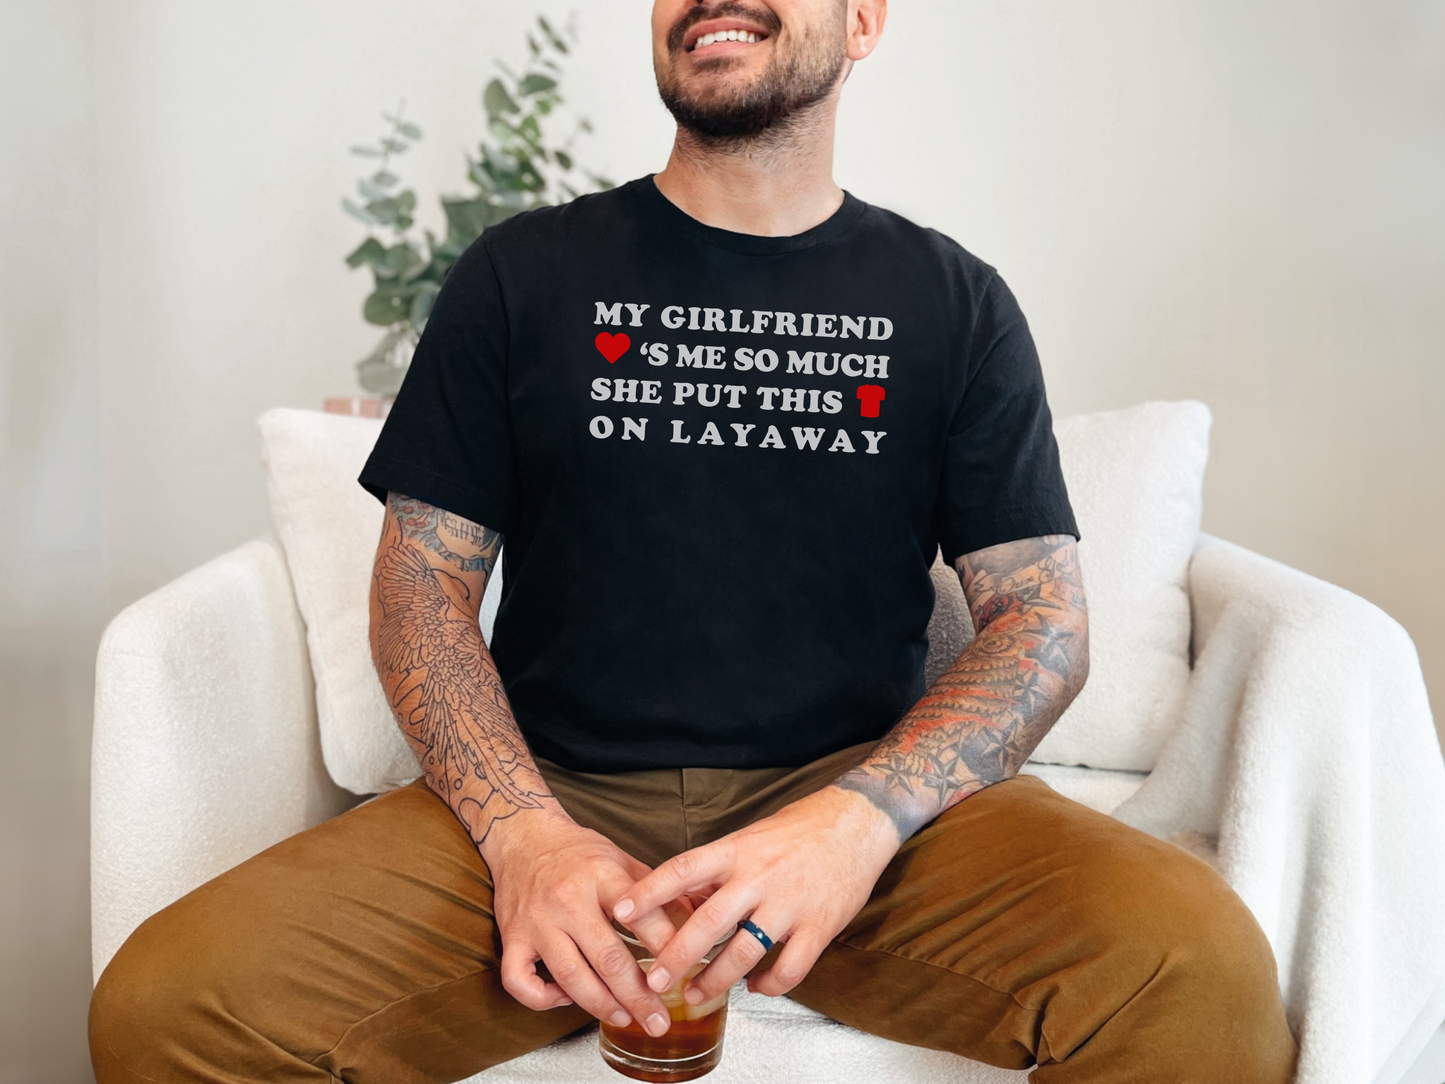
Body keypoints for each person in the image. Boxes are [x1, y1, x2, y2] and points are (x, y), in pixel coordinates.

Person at [89, 2, 1299, 1081]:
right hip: (553, 795)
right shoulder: (522, 275)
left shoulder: (953, 301)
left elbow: (1041, 618)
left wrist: (854, 824)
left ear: (863, 20)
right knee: (167, 1007)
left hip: (858, 817)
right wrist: (522, 839)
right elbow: (418, 587)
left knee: (1199, 975)